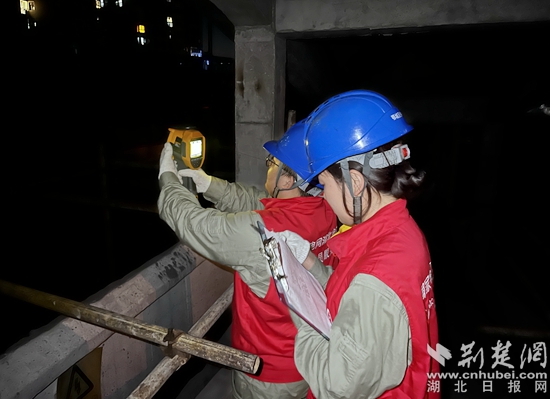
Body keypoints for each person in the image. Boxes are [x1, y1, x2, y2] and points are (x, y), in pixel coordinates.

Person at [274, 90, 440, 399]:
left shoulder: (376, 275)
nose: (323, 197)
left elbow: (336, 385)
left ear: (356, 183)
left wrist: (299, 309)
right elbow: (352, 299)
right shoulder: (399, 233)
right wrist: (310, 262)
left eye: (324, 184)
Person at [157, 121, 338, 399]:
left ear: (287, 180)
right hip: (310, 361)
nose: (268, 167)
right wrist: (209, 185)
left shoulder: (263, 233)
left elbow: (194, 224)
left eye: (272, 163)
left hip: (267, 376)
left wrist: (168, 179)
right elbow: (260, 201)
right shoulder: (326, 209)